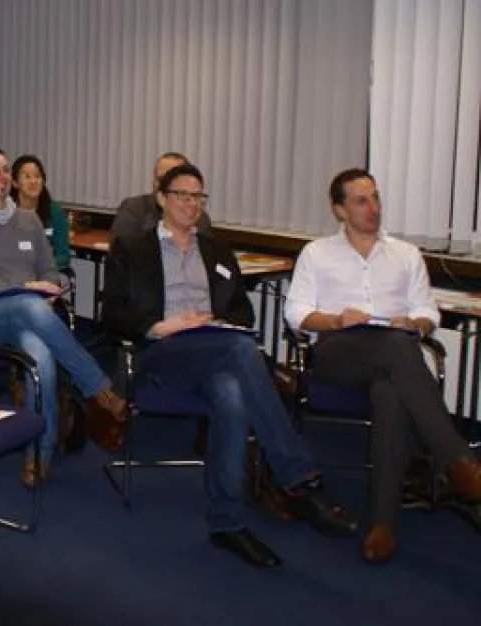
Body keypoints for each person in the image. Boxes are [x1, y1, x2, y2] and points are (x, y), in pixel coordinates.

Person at [104, 162, 358, 568]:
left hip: (214, 348)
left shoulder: (218, 252)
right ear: (161, 200)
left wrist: (221, 323)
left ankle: (227, 524)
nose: (191, 204)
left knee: (231, 390)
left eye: (198, 197)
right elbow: (112, 314)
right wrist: (161, 326)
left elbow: (242, 312)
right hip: (161, 351)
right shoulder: (132, 249)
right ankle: (297, 477)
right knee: (243, 353)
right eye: (182, 195)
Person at [284, 168, 481, 563]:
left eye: (376, 198)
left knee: (390, 391)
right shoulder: (317, 253)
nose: (373, 208)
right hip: (339, 352)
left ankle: (383, 523)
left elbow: (427, 310)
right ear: (339, 209)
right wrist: (337, 319)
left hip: (393, 358)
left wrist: (416, 323)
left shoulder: (406, 254)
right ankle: (458, 460)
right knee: (396, 349)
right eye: (361, 200)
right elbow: (296, 313)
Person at [0, 147, 126, 488]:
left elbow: (50, 270)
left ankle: (39, 452)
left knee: (41, 358)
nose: (2, 177)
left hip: (27, 318)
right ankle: (99, 387)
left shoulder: (29, 221)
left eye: (5, 170)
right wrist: (25, 287)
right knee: (28, 304)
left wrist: (50, 285)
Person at [110, 152, 213, 244]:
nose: (164, 184)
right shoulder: (134, 209)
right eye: (160, 179)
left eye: (172, 179)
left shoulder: (200, 218)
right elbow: (121, 253)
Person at [10, 154, 71, 270]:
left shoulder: (54, 211)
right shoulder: (6, 212)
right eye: (27, 177)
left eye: (37, 176)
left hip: (46, 272)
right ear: (15, 182)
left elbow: (63, 255)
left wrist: (42, 269)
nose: (33, 181)